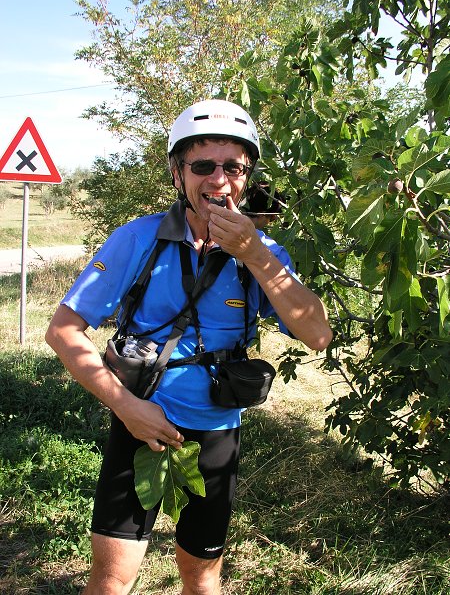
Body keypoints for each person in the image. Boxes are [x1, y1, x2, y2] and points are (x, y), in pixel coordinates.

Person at [46, 99, 332, 595]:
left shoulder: (265, 255)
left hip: (217, 429)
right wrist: (128, 407)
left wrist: (257, 255)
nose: (218, 180)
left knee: (202, 577)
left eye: (233, 167)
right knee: (113, 578)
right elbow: (63, 330)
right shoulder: (138, 239)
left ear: (246, 178)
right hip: (140, 422)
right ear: (178, 173)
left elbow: (318, 335)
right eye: (203, 165)